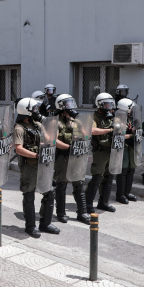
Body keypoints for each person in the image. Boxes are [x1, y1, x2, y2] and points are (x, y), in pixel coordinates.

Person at [15, 97, 65, 238]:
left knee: (49, 192)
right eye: (34, 109)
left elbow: (52, 135)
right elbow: (18, 149)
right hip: (29, 167)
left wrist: (44, 120)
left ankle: (46, 223)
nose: (37, 111)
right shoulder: (19, 128)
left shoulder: (37, 124)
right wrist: (36, 156)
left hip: (44, 165)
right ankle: (30, 226)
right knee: (29, 195)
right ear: (26, 111)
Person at [53, 94, 91, 225]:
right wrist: (69, 147)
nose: (70, 106)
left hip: (76, 157)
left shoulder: (76, 121)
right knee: (61, 184)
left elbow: (86, 136)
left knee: (79, 184)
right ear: (61, 107)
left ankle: (82, 212)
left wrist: (81, 139)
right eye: (67, 104)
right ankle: (61, 213)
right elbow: (54, 141)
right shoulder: (56, 122)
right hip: (63, 157)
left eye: (71, 103)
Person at [86, 93, 117, 213]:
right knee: (97, 176)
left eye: (110, 104)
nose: (109, 106)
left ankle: (103, 202)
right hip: (101, 151)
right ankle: (88, 203)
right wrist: (109, 130)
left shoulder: (113, 116)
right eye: (106, 104)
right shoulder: (94, 117)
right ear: (100, 105)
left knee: (109, 177)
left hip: (113, 150)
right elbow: (92, 130)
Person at [115, 98, 138, 204]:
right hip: (122, 147)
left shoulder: (130, 119)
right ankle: (120, 195)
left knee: (131, 169)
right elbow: (119, 135)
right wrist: (132, 135)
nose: (132, 111)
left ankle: (127, 192)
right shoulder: (117, 120)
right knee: (123, 170)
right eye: (131, 109)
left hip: (131, 146)